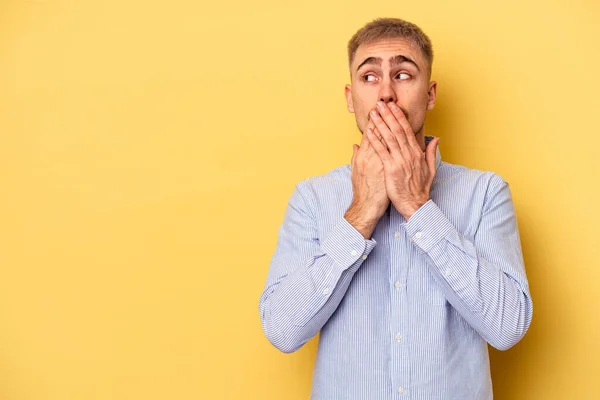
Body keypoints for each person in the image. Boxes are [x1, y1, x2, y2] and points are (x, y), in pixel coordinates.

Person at [258, 17, 533, 399]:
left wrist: (419, 208)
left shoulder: (484, 192)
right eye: (369, 77)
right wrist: (360, 215)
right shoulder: (312, 198)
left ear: (431, 93)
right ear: (350, 97)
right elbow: (282, 331)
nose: (386, 93)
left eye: (403, 75)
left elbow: (507, 327)